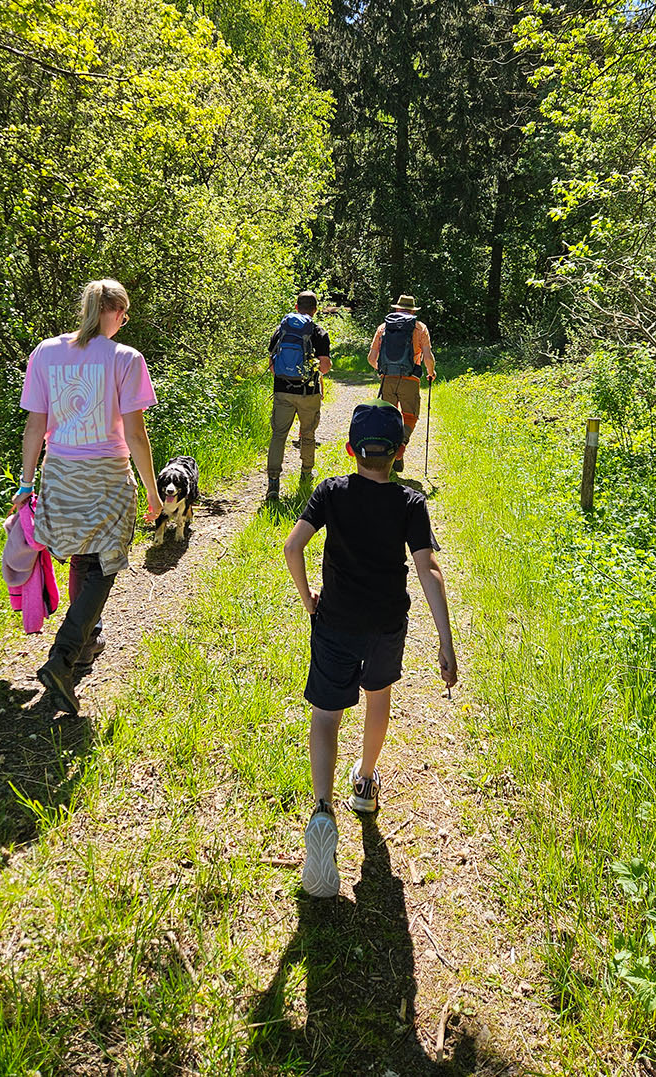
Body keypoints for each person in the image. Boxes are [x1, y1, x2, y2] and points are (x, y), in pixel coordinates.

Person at [283, 401, 458, 897]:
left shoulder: (331, 492)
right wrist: (445, 641)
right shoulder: (409, 504)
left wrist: (308, 599)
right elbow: (429, 570)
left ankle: (321, 812)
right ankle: (364, 783)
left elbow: (293, 547)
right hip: (385, 625)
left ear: (349, 449)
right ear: (399, 453)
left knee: (325, 715)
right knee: (377, 696)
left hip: (335, 621)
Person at [11, 278, 163, 716]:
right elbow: (135, 433)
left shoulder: (44, 352)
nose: (125, 321)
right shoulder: (126, 359)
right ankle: (62, 657)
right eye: (124, 313)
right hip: (106, 474)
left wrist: (26, 483)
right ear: (112, 312)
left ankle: (84, 641)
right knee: (104, 564)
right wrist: (152, 490)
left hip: (58, 471)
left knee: (82, 557)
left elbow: (34, 428)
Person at [266, 290, 333, 501]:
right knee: (308, 434)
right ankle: (306, 474)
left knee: (278, 435)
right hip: (308, 393)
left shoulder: (281, 329)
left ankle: (273, 483)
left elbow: (272, 366)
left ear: (297, 307)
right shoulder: (319, 332)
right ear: (315, 309)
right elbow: (324, 367)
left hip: (282, 391)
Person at [367, 293, 435, 471]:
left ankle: (389, 451)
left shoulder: (383, 328)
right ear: (412, 311)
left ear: (397, 309)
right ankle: (401, 445)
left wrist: (382, 370)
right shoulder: (420, 328)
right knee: (410, 416)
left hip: (387, 379)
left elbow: (371, 357)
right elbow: (427, 356)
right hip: (410, 379)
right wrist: (431, 372)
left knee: (388, 416)